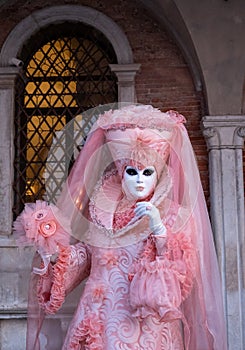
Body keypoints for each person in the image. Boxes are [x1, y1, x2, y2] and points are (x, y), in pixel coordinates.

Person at [14, 104, 227, 349]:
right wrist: (55, 255)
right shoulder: (100, 210)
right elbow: (87, 257)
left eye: (147, 172)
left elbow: (183, 274)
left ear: (158, 174)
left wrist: (160, 232)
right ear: (120, 171)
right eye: (132, 171)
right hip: (99, 320)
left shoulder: (170, 216)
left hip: (146, 329)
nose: (139, 180)